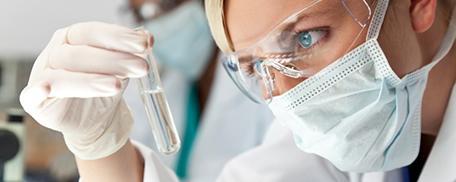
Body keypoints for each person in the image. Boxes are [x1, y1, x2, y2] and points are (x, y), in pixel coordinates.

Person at [19, 0, 456, 181]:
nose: (283, 95)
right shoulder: (325, 143)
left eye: (305, 39)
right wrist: (100, 146)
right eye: (255, 66)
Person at [122, 0, 273, 181]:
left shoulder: (261, 75)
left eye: (167, 5)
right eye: (141, 15)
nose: (157, 24)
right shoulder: (166, 84)